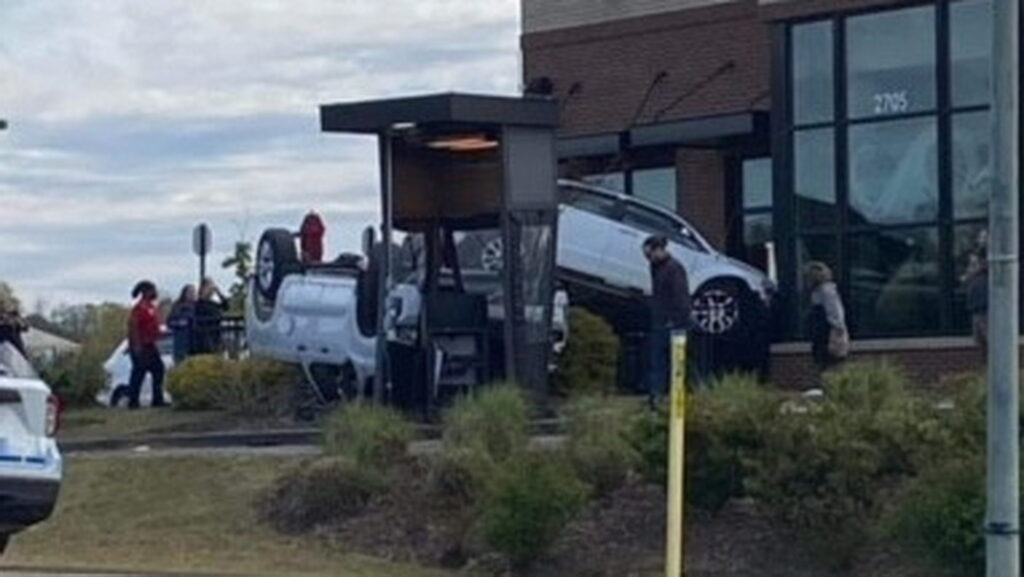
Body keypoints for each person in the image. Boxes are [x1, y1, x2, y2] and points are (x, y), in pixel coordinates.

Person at [642, 235, 691, 409]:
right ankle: (657, 396)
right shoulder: (657, 267)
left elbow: (681, 297)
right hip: (661, 320)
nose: (648, 258)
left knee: (666, 362)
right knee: (658, 362)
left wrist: (676, 319)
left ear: (659, 249)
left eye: (649, 254)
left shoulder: (673, 269)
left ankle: (663, 397)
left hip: (671, 322)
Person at [125, 280, 166, 409]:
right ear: (146, 292)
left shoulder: (151, 307)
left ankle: (157, 399)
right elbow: (133, 327)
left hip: (150, 344)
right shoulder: (139, 309)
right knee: (139, 372)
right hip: (141, 345)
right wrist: (136, 346)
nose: (155, 292)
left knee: (158, 369)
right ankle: (133, 401)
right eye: (153, 290)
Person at [805, 262, 849, 372]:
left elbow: (834, 311)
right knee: (822, 362)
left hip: (827, 332)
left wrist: (838, 328)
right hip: (820, 332)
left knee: (830, 362)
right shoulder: (816, 292)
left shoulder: (827, 290)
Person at [962, 229, 989, 353]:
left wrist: (975, 269)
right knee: (979, 341)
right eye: (980, 237)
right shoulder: (977, 255)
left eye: (984, 237)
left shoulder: (990, 254)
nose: (981, 240)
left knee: (991, 339)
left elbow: (987, 266)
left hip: (986, 306)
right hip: (975, 306)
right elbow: (967, 277)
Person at [193, 278, 229, 355]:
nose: (211, 290)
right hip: (204, 337)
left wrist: (218, 292)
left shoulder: (213, 304)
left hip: (216, 335)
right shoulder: (198, 304)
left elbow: (226, 306)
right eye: (209, 287)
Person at [167, 285, 197, 363]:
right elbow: (169, 322)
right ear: (185, 293)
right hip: (180, 340)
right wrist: (179, 323)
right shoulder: (177, 306)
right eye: (190, 292)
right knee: (180, 362)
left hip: (193, 340)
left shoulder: (197, 306)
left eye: (194, 292)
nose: (192, 294)